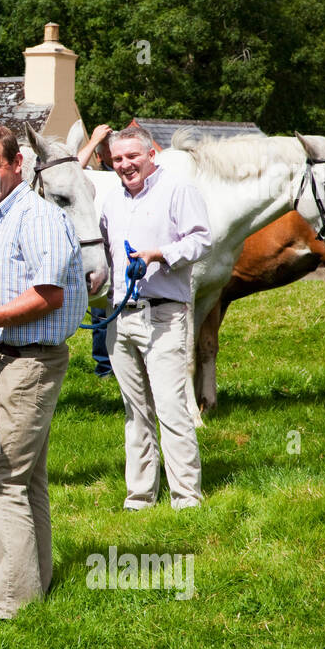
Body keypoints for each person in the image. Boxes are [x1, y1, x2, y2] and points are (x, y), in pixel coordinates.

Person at [0, 124, 87, 621]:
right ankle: (36, 587)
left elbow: (48, 295)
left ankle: (12, 607)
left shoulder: (36, 216)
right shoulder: (2, 216)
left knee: (2, 480)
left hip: (30, 362)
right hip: (7, 357)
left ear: (18, 164)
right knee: (28, 480)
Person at [99, 125, 212, 510]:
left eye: (132, 156)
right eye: (117, 159)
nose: (125, 165)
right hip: (121, 318)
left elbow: (201, 240)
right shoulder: (112, 201)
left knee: (171, 407)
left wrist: (158, 254)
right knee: (135, 411)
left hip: (163, 315)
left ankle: (185, 497)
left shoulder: (178, 190)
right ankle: (140, 495)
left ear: (152, 154)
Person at [78, 123, 115, 377]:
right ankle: (105, 367)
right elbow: (70, 168)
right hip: (97, 250)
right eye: (108, 151)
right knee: (101, 313)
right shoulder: (90, 176)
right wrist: (93, 141)